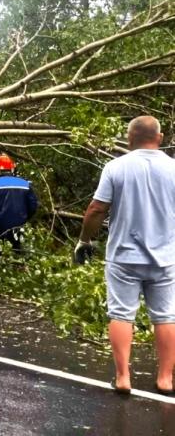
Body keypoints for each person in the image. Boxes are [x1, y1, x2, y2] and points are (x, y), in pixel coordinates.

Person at [75, 116, 175, 396]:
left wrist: (84, 240)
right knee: (166, 316)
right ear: (161, 136)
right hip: (166, 256)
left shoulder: (116, 167)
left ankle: (123, 377)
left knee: (121, 314)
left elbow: (96, 208)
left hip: (123, 256)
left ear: (129, 139)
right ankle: (166, 379)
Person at [0, 153, 38, 273]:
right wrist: (25, 218)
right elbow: (33, 206)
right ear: (12, 168)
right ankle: (19, 275)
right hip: (19, 225)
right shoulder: (25, 184)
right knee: (18, 253)